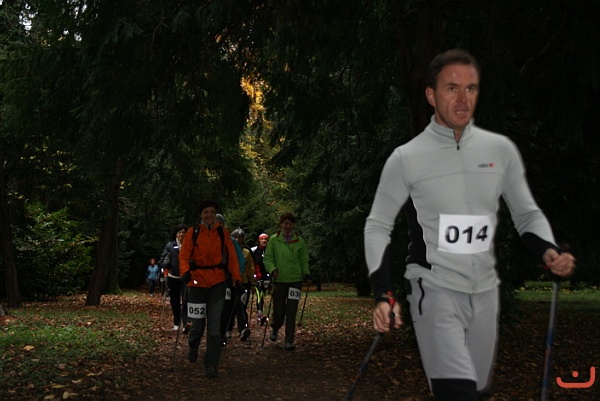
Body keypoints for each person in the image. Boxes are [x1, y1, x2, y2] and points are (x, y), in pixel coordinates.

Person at [364, 49, 576, 400]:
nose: (463, 99)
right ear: (431, 95)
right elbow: (378, 226)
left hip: (485, 290)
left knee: (476, 391)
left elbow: (526, 213)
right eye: (452, 88)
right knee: (457, 391)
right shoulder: (407, 158)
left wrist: (548, 250)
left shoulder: (500, 150)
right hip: (433, 286)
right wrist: (383, 294)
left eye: (471, 88)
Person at [179, 201, 242, 379]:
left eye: (212, 212)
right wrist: (185, 272)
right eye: (206, 212)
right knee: (197, 326)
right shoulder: (192, 232)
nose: (209, 215)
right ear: (201, 214)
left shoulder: (222, 232)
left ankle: (211, 364)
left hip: (217, 282)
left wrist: (237, 279)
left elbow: (232, 258)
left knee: (215, 328)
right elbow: (184, 255)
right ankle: (193, 345)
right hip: (196, 282)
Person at [263, 212, 310, 351]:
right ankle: (275, 327)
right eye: (285, 223)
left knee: (291, 311)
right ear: (281, 224)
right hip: (279, 280)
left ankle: (289, 341)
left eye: (290, 223)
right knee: (279, 311)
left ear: (293, 225)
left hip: (295, 280)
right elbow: (268, 258)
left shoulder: (299, 241)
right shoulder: (274, 240)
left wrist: (306, 273)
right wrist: (272, 269)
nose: (288, 226)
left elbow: (304, 259)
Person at [228, 228, 255, 341]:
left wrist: (252, 282)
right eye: (235, 237)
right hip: (230, 283)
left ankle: (243, 329)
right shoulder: (227, 251)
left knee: (240, 305)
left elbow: (250, 268)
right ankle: (228, 328)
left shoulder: (246, 253)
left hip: (243, 283)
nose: (237, 240)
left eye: (240, 238)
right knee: (230, 306)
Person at [159, 224, 187, 331]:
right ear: (176, 234)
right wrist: (166, 264)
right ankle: (176, 322)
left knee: (186, 300)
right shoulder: (170, 246)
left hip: (185, 278)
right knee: (174, 301)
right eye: (179, 232)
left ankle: (186, 323)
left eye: (183, 232)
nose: (181, 234)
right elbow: (162, 259)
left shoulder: (189, 245)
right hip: (173, 277)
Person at [251, 233, 270, 325]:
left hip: (267, 277)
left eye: (265, 239)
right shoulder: (254, 251)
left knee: (264, 295)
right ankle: (259, 315)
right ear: (259, 240)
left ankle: (264, 314)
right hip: (258, 277)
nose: (264, 241)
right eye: (262, 239)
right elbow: (251, 264)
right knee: (260, 295)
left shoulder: (270, 251)